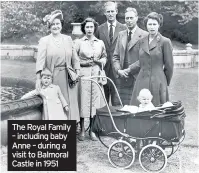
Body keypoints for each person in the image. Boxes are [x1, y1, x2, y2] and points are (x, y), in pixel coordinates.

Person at [35, 10, 80, 122]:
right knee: (55, 104)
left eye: (58, 24)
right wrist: (38, 78)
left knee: (69, 103)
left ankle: (70, 129)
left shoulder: (68, 39)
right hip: (53, 76)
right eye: (53, 24)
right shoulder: (44, 41)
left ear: (61, 25)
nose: (56, 26)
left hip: (69, 77)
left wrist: (77, 72)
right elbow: (40, 61)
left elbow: (75, 58)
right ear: (49, 26)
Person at [129, 12, 174, 106]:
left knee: (157, 111)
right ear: (146, 25)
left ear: (159, 25)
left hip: (158, 81)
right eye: (149, 24)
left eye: (154, 24)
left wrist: (164, 82)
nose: (152, 27)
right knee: (139, 110)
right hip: (141, 80)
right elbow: (141, 62)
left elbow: (169, 66)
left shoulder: (165, 41)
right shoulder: (141, 41)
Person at [75, 18, 107, 141]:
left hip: (96, 73)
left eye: (91, 27)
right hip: (83, 74)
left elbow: (105, 57)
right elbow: (75, 59)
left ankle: (92, 130)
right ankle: (82, 129)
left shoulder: (100, 42)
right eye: (87, 27)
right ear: (84, 28)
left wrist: (101, 61)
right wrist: (80, 66)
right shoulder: (79, 42)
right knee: (83, 101)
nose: (89, 29)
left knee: (95, 102)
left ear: (94, 28)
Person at [112, 7, 148, 105]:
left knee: (136, 107)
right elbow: (115, 56)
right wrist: (119, 70)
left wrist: (129, 70)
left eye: (131, 18)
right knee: (121, 107)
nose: (129, 21)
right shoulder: (121, 34)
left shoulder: (144, 35)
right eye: (127, 18)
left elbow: (144, 58)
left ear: (136, 18)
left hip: (137, 77)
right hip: (122, 78)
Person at [95, 1, 126, 106]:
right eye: (108, 11)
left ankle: (117, 122)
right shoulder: (99, 29)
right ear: (105, 13)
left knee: (118, 102)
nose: (110, 14)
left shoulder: (124, 28)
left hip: (118, 70)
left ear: (116, 11)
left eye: (112, 11)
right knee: (103, 102)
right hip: (103, 70)